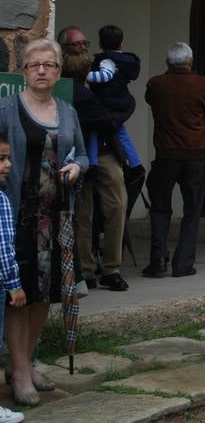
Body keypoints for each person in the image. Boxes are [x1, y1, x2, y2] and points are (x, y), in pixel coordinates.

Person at [0, 39, 88, 406]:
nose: (41, 70)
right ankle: (19, 369)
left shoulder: (67, 111)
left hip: (56, 219)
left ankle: (29, 360)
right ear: (23, 72)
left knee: (45, 295)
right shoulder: (6, 109)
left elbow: (83, 153)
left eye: (49, 65)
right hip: (18, 215)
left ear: (58, 71)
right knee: (18, 297)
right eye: (34, 65)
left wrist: (78, 166)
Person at [58, 27, 130, 292]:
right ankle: (87, 268)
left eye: (85, 43)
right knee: (83, 213)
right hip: (78, 152)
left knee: (116, 205)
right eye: (77, 44)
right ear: (64, 48)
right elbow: (102, 115)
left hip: (103, 149)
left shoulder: (97, 73)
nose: (82, 48)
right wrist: (122, 111)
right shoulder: (64, 80)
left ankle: (111, 268)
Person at [143, 42, 205, 278]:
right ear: (190, 62)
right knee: (192, 210)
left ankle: (157, 260)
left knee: (160, 208)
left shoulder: (156, 84)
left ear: (168, 62)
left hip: (165, 155)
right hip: (195, 155)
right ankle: (183, 263)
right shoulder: (202, 84)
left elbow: (149, 100)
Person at [87, 24, 142, 174]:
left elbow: (105, 76)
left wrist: (86, 76)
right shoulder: (125, 60)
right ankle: (135, 163)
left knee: (93, 130)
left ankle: (92, 163)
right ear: (121, 43)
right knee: (121, 132)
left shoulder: (107, 60)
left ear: (100, 43)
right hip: (122, 100)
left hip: (107, 102)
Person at [0, 135, 25, 423]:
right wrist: (14, 285)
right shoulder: (3, 201)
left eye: (8, 158)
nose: (8, 165)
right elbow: (4, 249)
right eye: (1, 159)